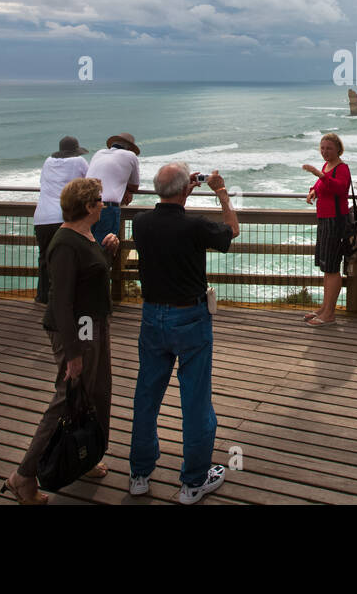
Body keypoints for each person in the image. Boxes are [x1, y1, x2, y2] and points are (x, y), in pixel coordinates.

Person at [3, 177, 119, 504]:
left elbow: (90, 281)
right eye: (99, 200)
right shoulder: (65, 242)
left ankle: (84, 457)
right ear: (86, 206)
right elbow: (62, 301)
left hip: (92, 325)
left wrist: (107, 253)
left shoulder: (84, 234)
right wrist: (73, 353)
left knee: (94, 394)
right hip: (78, 330)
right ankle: (23, 476)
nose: (104, 203)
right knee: (66, 398)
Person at [128, 163, 238, 503]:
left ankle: (139, 476)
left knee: (147, 394)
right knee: (195, 398)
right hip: (189, 318)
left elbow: (169, 216)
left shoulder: (140, 223)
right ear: (182, 189)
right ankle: (193, 483)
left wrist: (182, 191)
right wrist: (221, 194)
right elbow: (231, 231)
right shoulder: (195, 226)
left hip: (151, 316)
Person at [31, 136, 89, 304]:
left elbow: (43, 182)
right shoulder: (78, 161)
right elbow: (91, 182)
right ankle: (65, 297)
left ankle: (43, 297)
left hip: (42, 217)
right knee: (67, 258)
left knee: (44, 257)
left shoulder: (48, 161)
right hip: (63, 217)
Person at [301, 132, 351, 327]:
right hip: (324, 219)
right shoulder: (326, 166)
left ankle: (330, 314)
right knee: (326, 267)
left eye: (329, 148)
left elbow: (340, 188)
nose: (324, 152)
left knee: (332, 267)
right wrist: (313, 191)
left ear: (338, 149)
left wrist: (320, 175)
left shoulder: (342, 168)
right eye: (322, 148)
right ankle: (325, 307)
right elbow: (321, 184)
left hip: (335, 221)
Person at [85, 132, 141, 255]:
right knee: (104, 249)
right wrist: (126, 189)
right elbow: (135, 186)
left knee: (85, 247)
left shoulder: (99, 153)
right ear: (130, 148)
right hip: (106, 208)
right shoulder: (130, 156)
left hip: (85, 204)